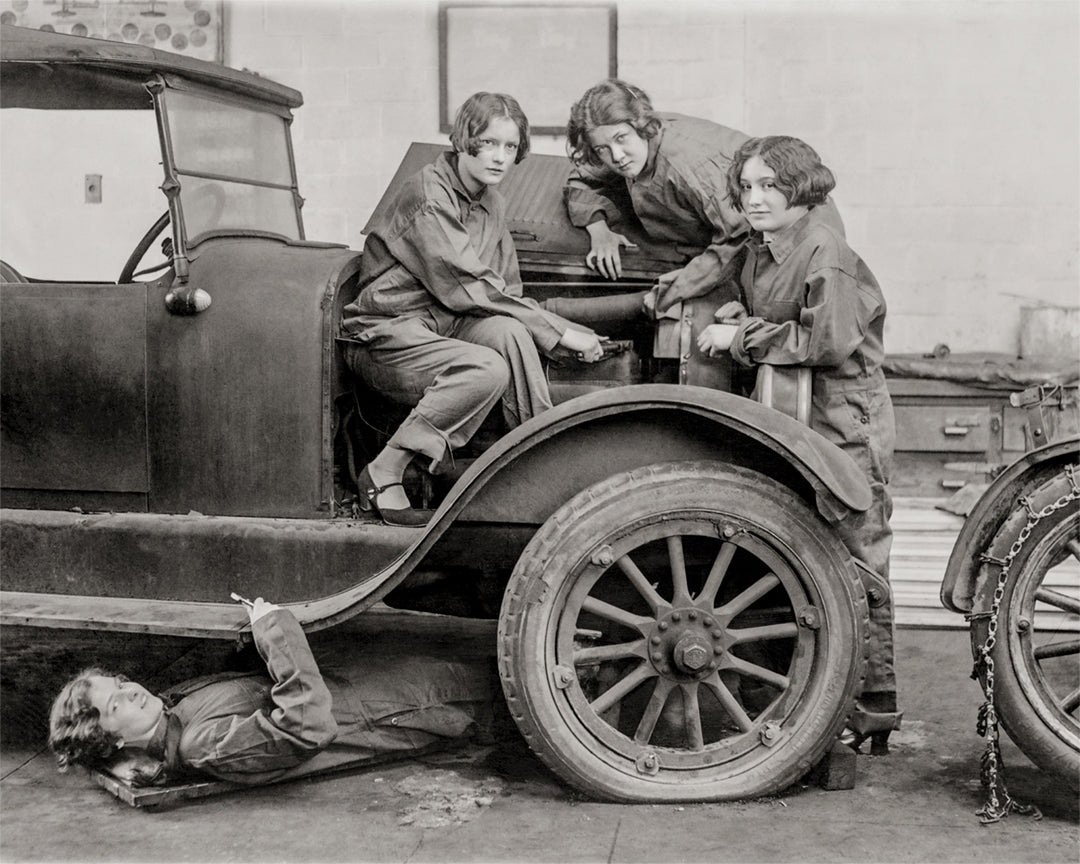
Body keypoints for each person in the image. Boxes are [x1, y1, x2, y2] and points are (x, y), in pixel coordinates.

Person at [696, 135, 900, 752]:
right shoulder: (764, 249)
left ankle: (874, 705)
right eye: (748, 187)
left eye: (769, 186)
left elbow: (827, 343)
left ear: (801, 189)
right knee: (803, 549)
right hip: (796, 409)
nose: (755, 199)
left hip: (846, 414)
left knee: (858, 550)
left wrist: (741, 339)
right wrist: (738, 311)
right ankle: (820, 697)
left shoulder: (822, 250)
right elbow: (771, 309)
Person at [341, 92, 605, 526]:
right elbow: (465, 283)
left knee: (509, 332)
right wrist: (559, 332)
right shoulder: (429, 194)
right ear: (464, 140)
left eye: (510, 146)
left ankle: (541, 462)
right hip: (386, 333)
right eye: (489, 143)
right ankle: (385, 470)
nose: (500, 157)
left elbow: (506, 291)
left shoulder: (491, 201)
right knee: (486, 369)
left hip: (444, 326)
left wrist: (557, 329)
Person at [48, 598, 498, 786]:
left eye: (122, 684)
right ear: (114, 740)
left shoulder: (172, 712)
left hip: (371, 689)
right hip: (397, 709)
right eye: (116, 703)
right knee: (506, 689)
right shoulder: (198, 745)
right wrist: (272, 627)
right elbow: (306, 727)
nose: (132, 692)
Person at [564, 79, 751, 312]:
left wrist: (670, 292)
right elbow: (580, 177)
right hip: (700, 248)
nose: (617, 156)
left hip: (757, 255)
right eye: (602, 148)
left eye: (621, 138)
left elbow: (738, 241)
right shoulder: (619, 137)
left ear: (641, 125)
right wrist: (599, 230)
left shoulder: (688, 164)